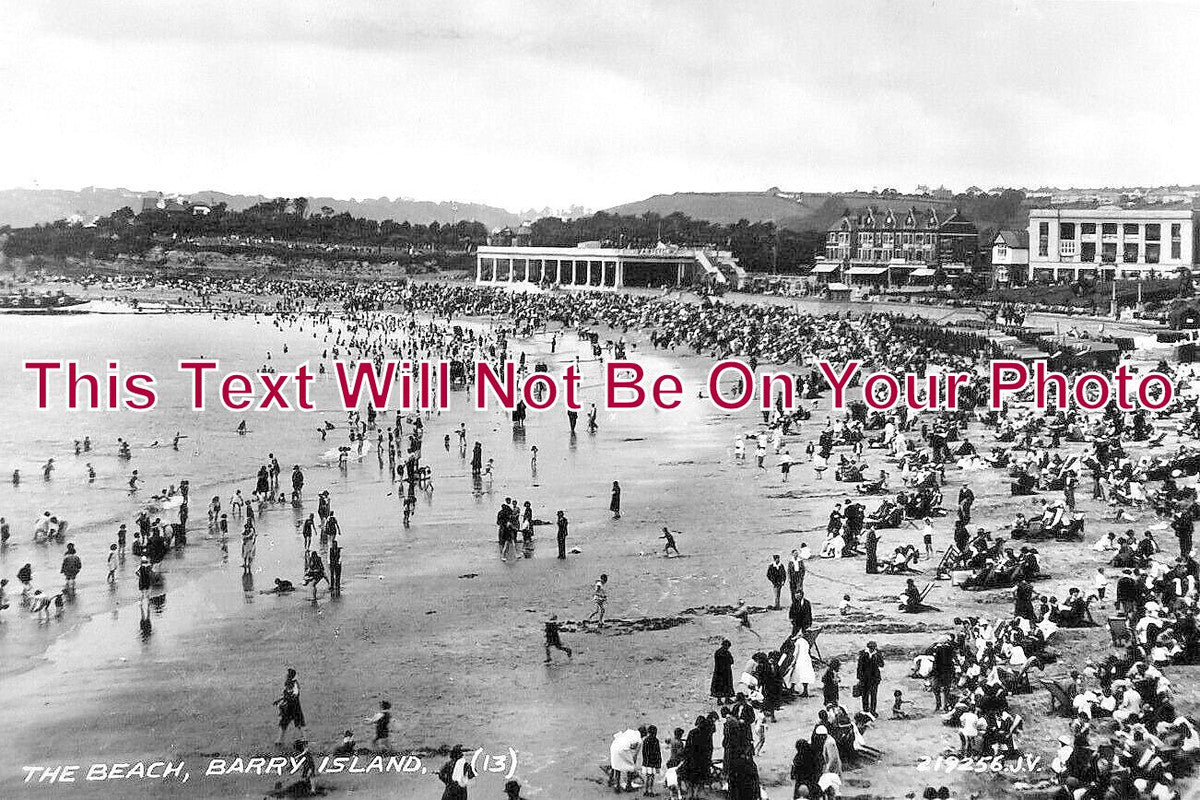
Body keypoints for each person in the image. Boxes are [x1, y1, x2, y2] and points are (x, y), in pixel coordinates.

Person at [274, 668, 306, 744]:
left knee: (299, 723)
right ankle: (279, 740)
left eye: (287, 674)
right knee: (283, 723)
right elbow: (286, 695)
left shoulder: (295, 684)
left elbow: (294, 695)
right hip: (288, 707)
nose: (286, 676)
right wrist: (279, 701)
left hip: (294, 707)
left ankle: (304, 738)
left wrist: (284, 700)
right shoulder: (288, 684)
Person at [856, 640, 884, 715]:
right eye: (871, 648)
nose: (872, 649)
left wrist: (877, 658)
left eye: (873, 648)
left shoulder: (878, 654)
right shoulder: (863, 654)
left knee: (873, 695)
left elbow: (882, 664)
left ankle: (872, 711)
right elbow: (859, 666)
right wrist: (859, 678)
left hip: (874, 678)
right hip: (865, 678)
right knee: (865, 695)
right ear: (868, 648)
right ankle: (865, 710)